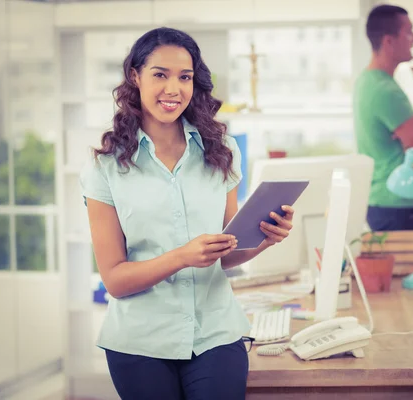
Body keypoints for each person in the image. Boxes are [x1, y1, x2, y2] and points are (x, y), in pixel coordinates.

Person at [79, 27, 295, 400]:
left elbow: (227, 255)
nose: (173, 89)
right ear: (135, 77)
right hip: (139, 343)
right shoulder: (105, 167)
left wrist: (265, 239)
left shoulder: (222, 150)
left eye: (185, 77)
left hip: (216, 331)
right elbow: (114, 278)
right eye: (160, 74)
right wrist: (182, 257)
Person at [353, 4, 413, 232]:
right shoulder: (386, 91)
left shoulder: (368, 82)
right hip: (398, 206)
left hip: (385, 203)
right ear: (388, 41)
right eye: (409, 31)